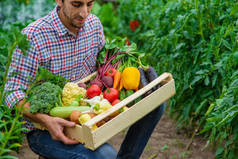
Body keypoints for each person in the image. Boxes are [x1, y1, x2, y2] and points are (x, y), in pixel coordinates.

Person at [4, 0, 166, 158]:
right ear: (59, 1)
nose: (84, 13)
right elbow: (11, 93)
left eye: (89, 4)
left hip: (87, 113)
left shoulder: (94, 25)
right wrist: (46, 120)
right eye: (76, 4)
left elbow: (102, 68)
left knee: (156, 103)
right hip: (44, 129)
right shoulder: (33, 36)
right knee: (106, 156)